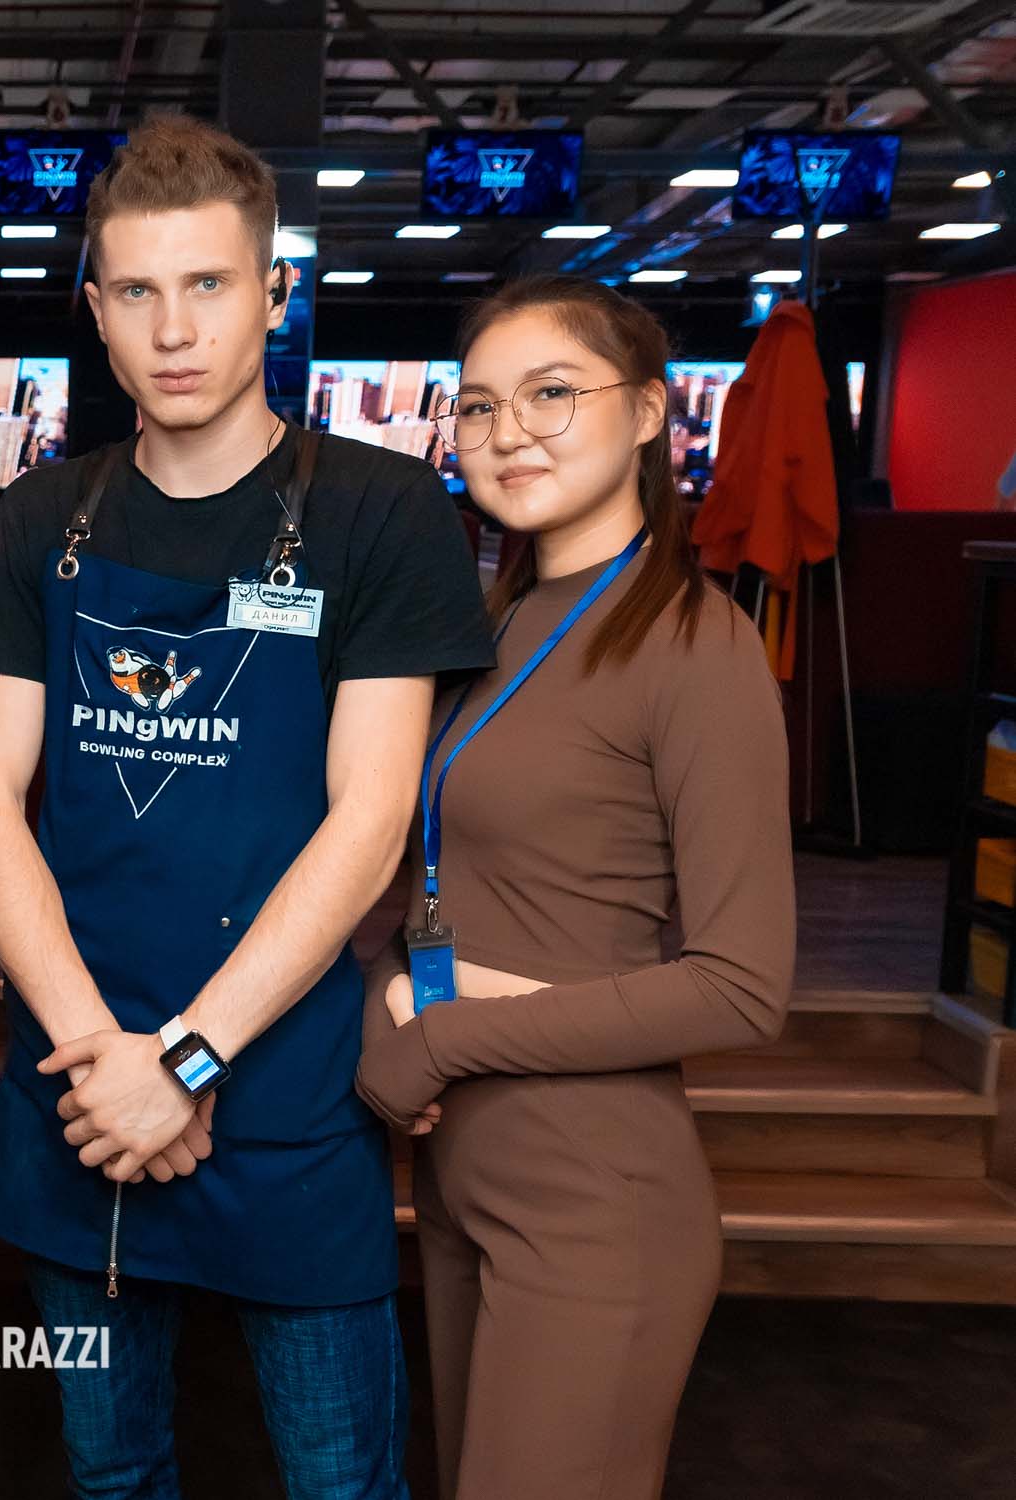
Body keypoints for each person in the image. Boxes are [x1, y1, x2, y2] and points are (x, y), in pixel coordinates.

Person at [0, 114, 495, 1500]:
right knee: (109, 1473)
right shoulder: (42, 518)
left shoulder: (380, 512)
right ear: (95, 311)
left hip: (281, 1083)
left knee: (339, 1482)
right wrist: (105, 1062)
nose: (173, 329)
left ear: (273, 294)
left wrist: (183, 1062)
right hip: (79, 1091)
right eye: (136, 291)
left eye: (207, 284)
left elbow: (368, 819)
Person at [355, 276, 795, 1500]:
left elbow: (742, 986)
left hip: (597, 1197)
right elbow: (445, 875)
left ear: (649, 412)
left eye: (552, 394)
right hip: (464, 1181)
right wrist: (387, 990)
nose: (508, 433)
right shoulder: (494, 623)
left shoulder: (697, 643)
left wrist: (444, 1041)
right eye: (478, 405)